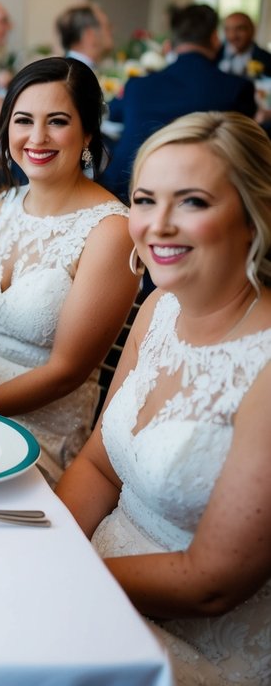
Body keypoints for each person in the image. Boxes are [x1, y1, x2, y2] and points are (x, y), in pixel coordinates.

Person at [57, 111, 271, 683]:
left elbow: (211, 583)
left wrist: (64, 572)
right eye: (145, 200)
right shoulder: (158, 310)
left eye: (193, 202)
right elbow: (100, 465)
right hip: (90, 575)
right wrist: (50, 545)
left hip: (187, 643)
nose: (158, 224)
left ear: (254, 217)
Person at [0, 58, 136, 484]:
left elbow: (66, 371)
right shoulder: (0, 206)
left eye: (57, 121)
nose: (37, 137)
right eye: (23, 120)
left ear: (87, 132)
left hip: (41, 431)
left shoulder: (111, 230)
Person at [101, 4, 257, 203]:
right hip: (194, 195)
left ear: (173, 42)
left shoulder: (137, 86)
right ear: (215, 39)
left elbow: (111, 116)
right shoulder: (236, 88)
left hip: (124, 186)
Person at [56, 3, 114, 72]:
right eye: (108, 27)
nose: (112, 31)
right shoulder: (74, 75)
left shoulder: (69, 69)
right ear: (90, 35)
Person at [218, 10, 271, 79]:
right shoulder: (216, 54)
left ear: (252, 30)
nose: (232, 36)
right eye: (228, 30)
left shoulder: (266, 59)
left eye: (240, 29)